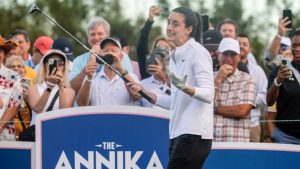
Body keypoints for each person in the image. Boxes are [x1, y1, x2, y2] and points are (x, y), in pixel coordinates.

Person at [129, 7, 214, 169]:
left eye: (175, 24)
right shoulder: (174, 56)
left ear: (189, 29)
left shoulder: (198, 52)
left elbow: (209, 94)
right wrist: (149, 94)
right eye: (169, 22)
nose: (169, 27)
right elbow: (176, 101)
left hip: (194, 135)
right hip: (178, 134)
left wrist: (185, 87)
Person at [69, 17, 132, 93]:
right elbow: (71, 89)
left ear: (107, 35)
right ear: (88, 38)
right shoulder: (78, 60)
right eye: (92, 34)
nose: (96, 37)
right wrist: (84, 71)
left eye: (100, 33)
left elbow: (132, 85)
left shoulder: (122, 56)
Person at [214, 38, 256, 142]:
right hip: (210, 144)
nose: (229, 59)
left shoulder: (248, 79)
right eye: (225, 54)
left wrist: (213, 110)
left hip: (236, 144)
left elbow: (241, 111)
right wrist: (218, 79)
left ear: (238, 57)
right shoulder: (209, 77)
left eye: (232, 54)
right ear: (219, 55)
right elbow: (200, 106)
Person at [76, 38, 140, 106]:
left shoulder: (131, 76)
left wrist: (121, 70)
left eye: (113, 51)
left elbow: (137, 96)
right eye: (106, 50)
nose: (109, 53)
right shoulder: (92, 78)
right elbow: (81, 104)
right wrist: (89, 78)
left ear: (121, 57)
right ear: (101, 56)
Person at [266, 29, 300, 144]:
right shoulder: (280, 69)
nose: (297, 49)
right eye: (294, 45)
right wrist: (278, 80)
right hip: (286, 137)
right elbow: (269, 101)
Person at [28, 50, 75, 127]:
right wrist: (49, 87)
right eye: (51, 62)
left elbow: (65, 112)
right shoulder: (34, 88)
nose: (57, 67)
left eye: (60, 63)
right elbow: (38, 109)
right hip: (38, 132)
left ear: (64, 67)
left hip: (59, 130)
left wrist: (61, 87)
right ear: (44, 65)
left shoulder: (69, 91)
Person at [237, 34, 267, 142]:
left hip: (252, 125)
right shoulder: (225, 68)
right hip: (229, 123)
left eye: (245, 44)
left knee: (253, 158)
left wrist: (246, 103)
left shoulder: (257, 71)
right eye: (238, 43)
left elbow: (265, 97)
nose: (241, 46)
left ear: (249, 49)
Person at [137, 6, 172, 80]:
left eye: (165, 48)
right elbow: (141, 45)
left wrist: (162, 76)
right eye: (158, 47)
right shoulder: (148, 69)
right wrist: (150, 19)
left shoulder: (177, 69)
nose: (161, 51)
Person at [0, 35, 22, 141]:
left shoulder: (14, 77)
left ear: (4, 54)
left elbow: (14, 107)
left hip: (4, 136)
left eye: (0, 50)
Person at [5, 55, 32, 139]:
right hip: (7, 133)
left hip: (26, 133)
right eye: (12, 66)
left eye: (19, 66)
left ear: (24, 70)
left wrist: (28, 98)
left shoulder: (31, 86)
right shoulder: (2, 88)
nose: (16, 68)